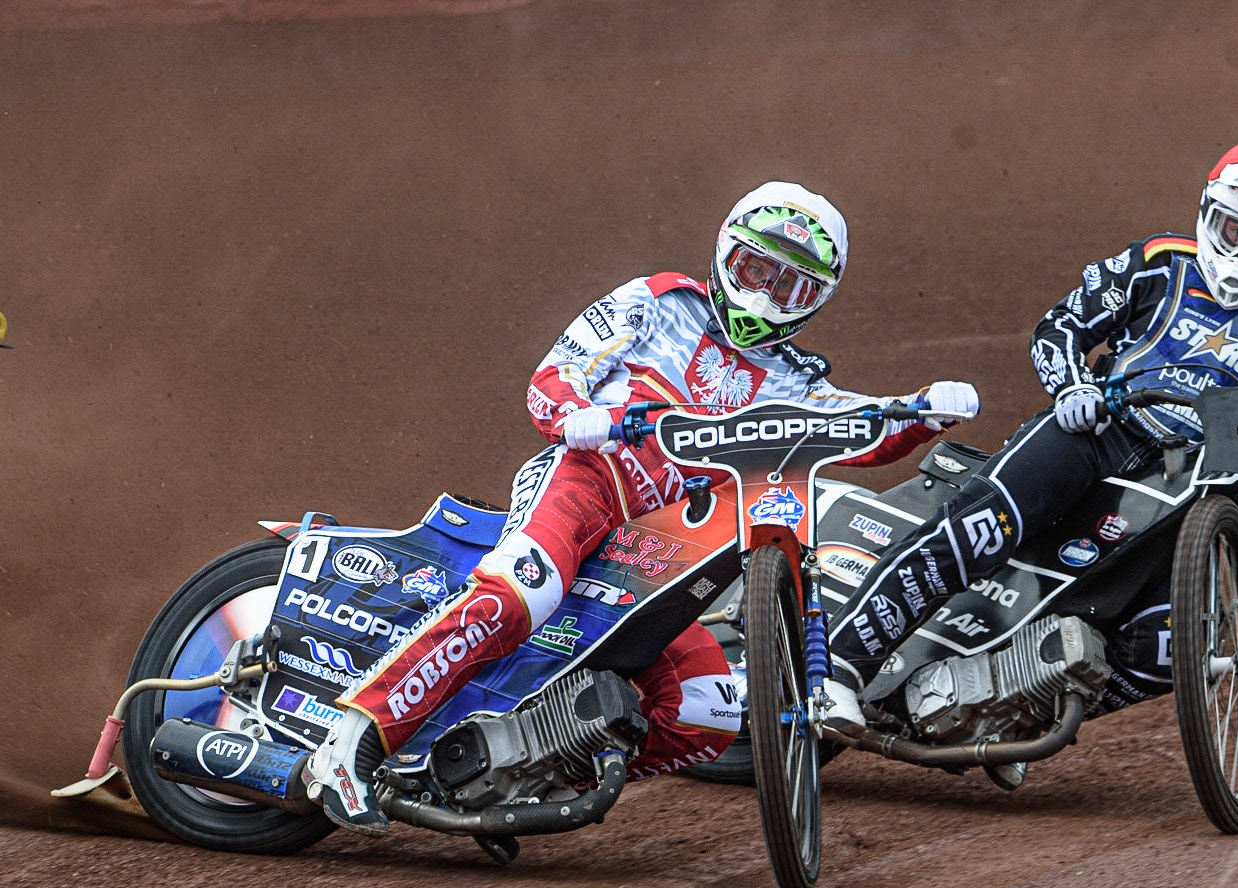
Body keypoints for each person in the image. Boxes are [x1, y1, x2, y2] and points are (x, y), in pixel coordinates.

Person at [305, 181, 980, 834]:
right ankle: (353, 739)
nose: (764, 294)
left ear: (816, 300)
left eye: (788, 286)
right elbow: (555, 372)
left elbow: (861, 429)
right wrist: (575, 415)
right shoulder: (657, 301)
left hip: (657, 549)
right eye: (754, 269)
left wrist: (925, 411)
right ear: (725, 253)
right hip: (586, 486)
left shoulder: (796, 380)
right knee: (521, 594)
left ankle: (518, 773)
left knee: (709, 710)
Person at [819, 136, 1238, 733]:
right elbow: (1059, 325)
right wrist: (1072, 389)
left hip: (1191, 483)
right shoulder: (1156, 263)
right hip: (1096, 433)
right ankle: (840, 670)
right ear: (1210, 215)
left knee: (1170, 648)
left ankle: (1015, 701)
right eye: (1235, 230)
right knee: (975, 526)